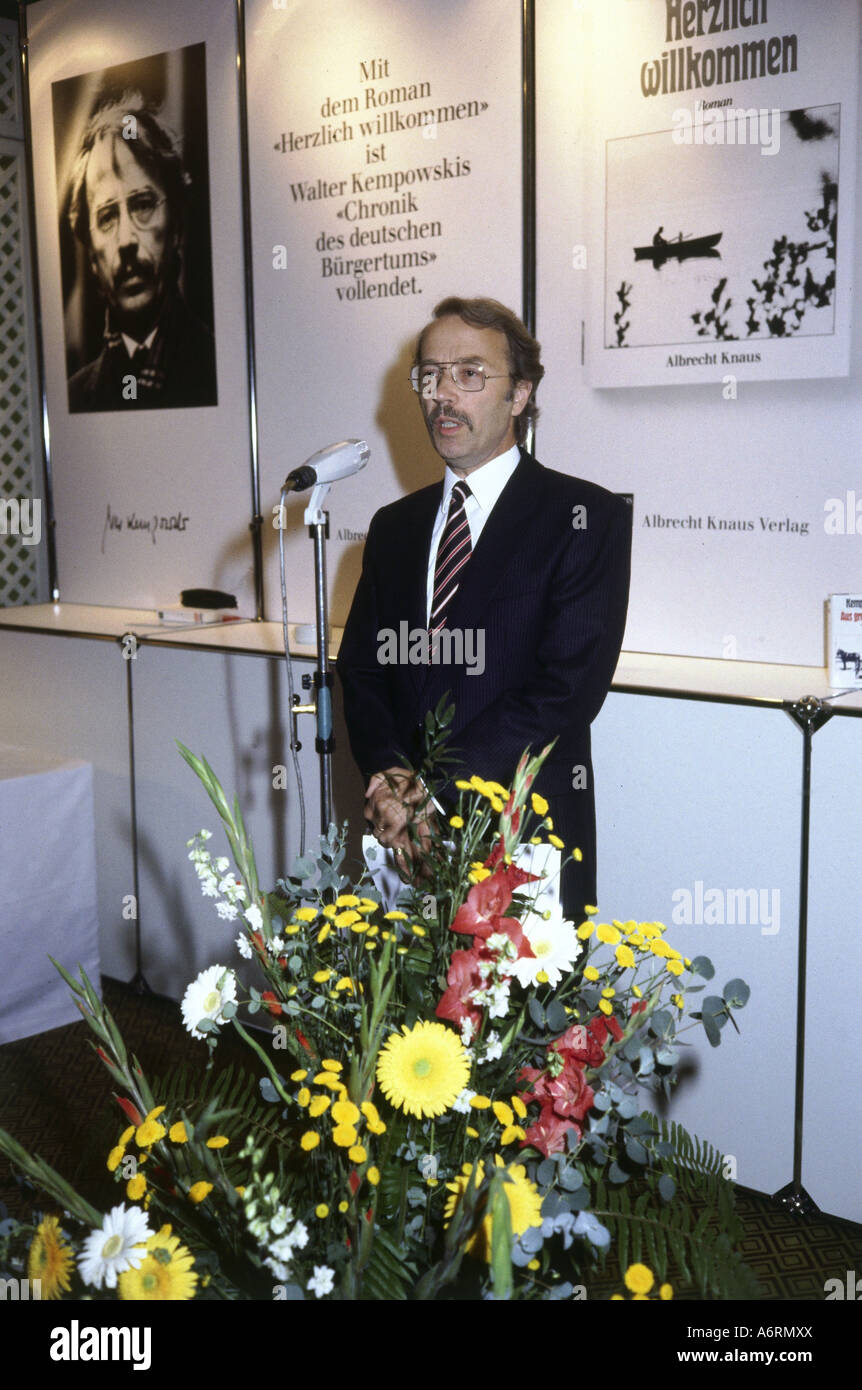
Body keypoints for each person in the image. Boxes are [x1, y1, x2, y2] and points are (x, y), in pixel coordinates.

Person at [337, 296, 631, 918]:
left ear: (520, 394)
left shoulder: (583, 518)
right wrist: (390, 777)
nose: (443, 394)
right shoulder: (394, 527)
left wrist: (430, 793)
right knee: (395, 1011)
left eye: (469, 374)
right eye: (430, 375)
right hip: (402, 839)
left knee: (525, 1016)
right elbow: (363, 669)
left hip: (523, 830)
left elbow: (568, 689)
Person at [65, 91, 217, 412]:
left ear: (176, 226)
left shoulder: (217, 366)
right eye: (107, 217)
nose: (126, 241)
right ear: (92, 257)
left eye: (143, 205)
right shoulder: (75, 396)